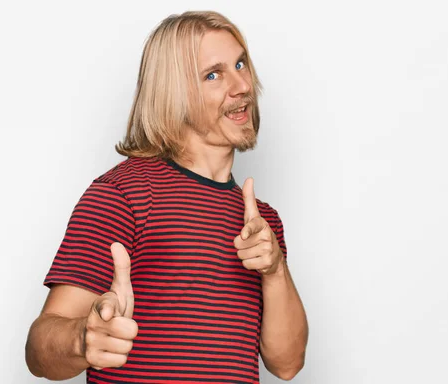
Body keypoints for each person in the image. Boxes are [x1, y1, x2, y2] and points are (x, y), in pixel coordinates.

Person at [25, 10, 308, 384]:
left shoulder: (261, 222)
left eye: (241, 64)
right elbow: (39, 348)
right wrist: (83, 338)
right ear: (174, 93)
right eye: (213, 74)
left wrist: (274, 271)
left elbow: (287, 364)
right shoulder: (123, 193)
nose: (242, 85)